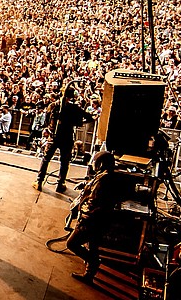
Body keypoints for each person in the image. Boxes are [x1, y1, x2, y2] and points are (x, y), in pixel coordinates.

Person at [67, 151, 118, 283]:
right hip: (101, 220)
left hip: (92, 220)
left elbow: (94, 202)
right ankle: (89, 274)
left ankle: (93, 263)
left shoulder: (103, 181)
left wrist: (82, 214)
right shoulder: (106, 176)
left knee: (72, 243)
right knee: (93, 245)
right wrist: (86, 185)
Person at [34, 82, 94, 193]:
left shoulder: (53, 106)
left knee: (46, 158)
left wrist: (50, 128)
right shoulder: (74, 108)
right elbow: (90, 118)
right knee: (64, 162)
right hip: (67, 137)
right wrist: (79, 123)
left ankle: (39, 181)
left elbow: (46, 120)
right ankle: (60, 184)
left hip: (53, 137)